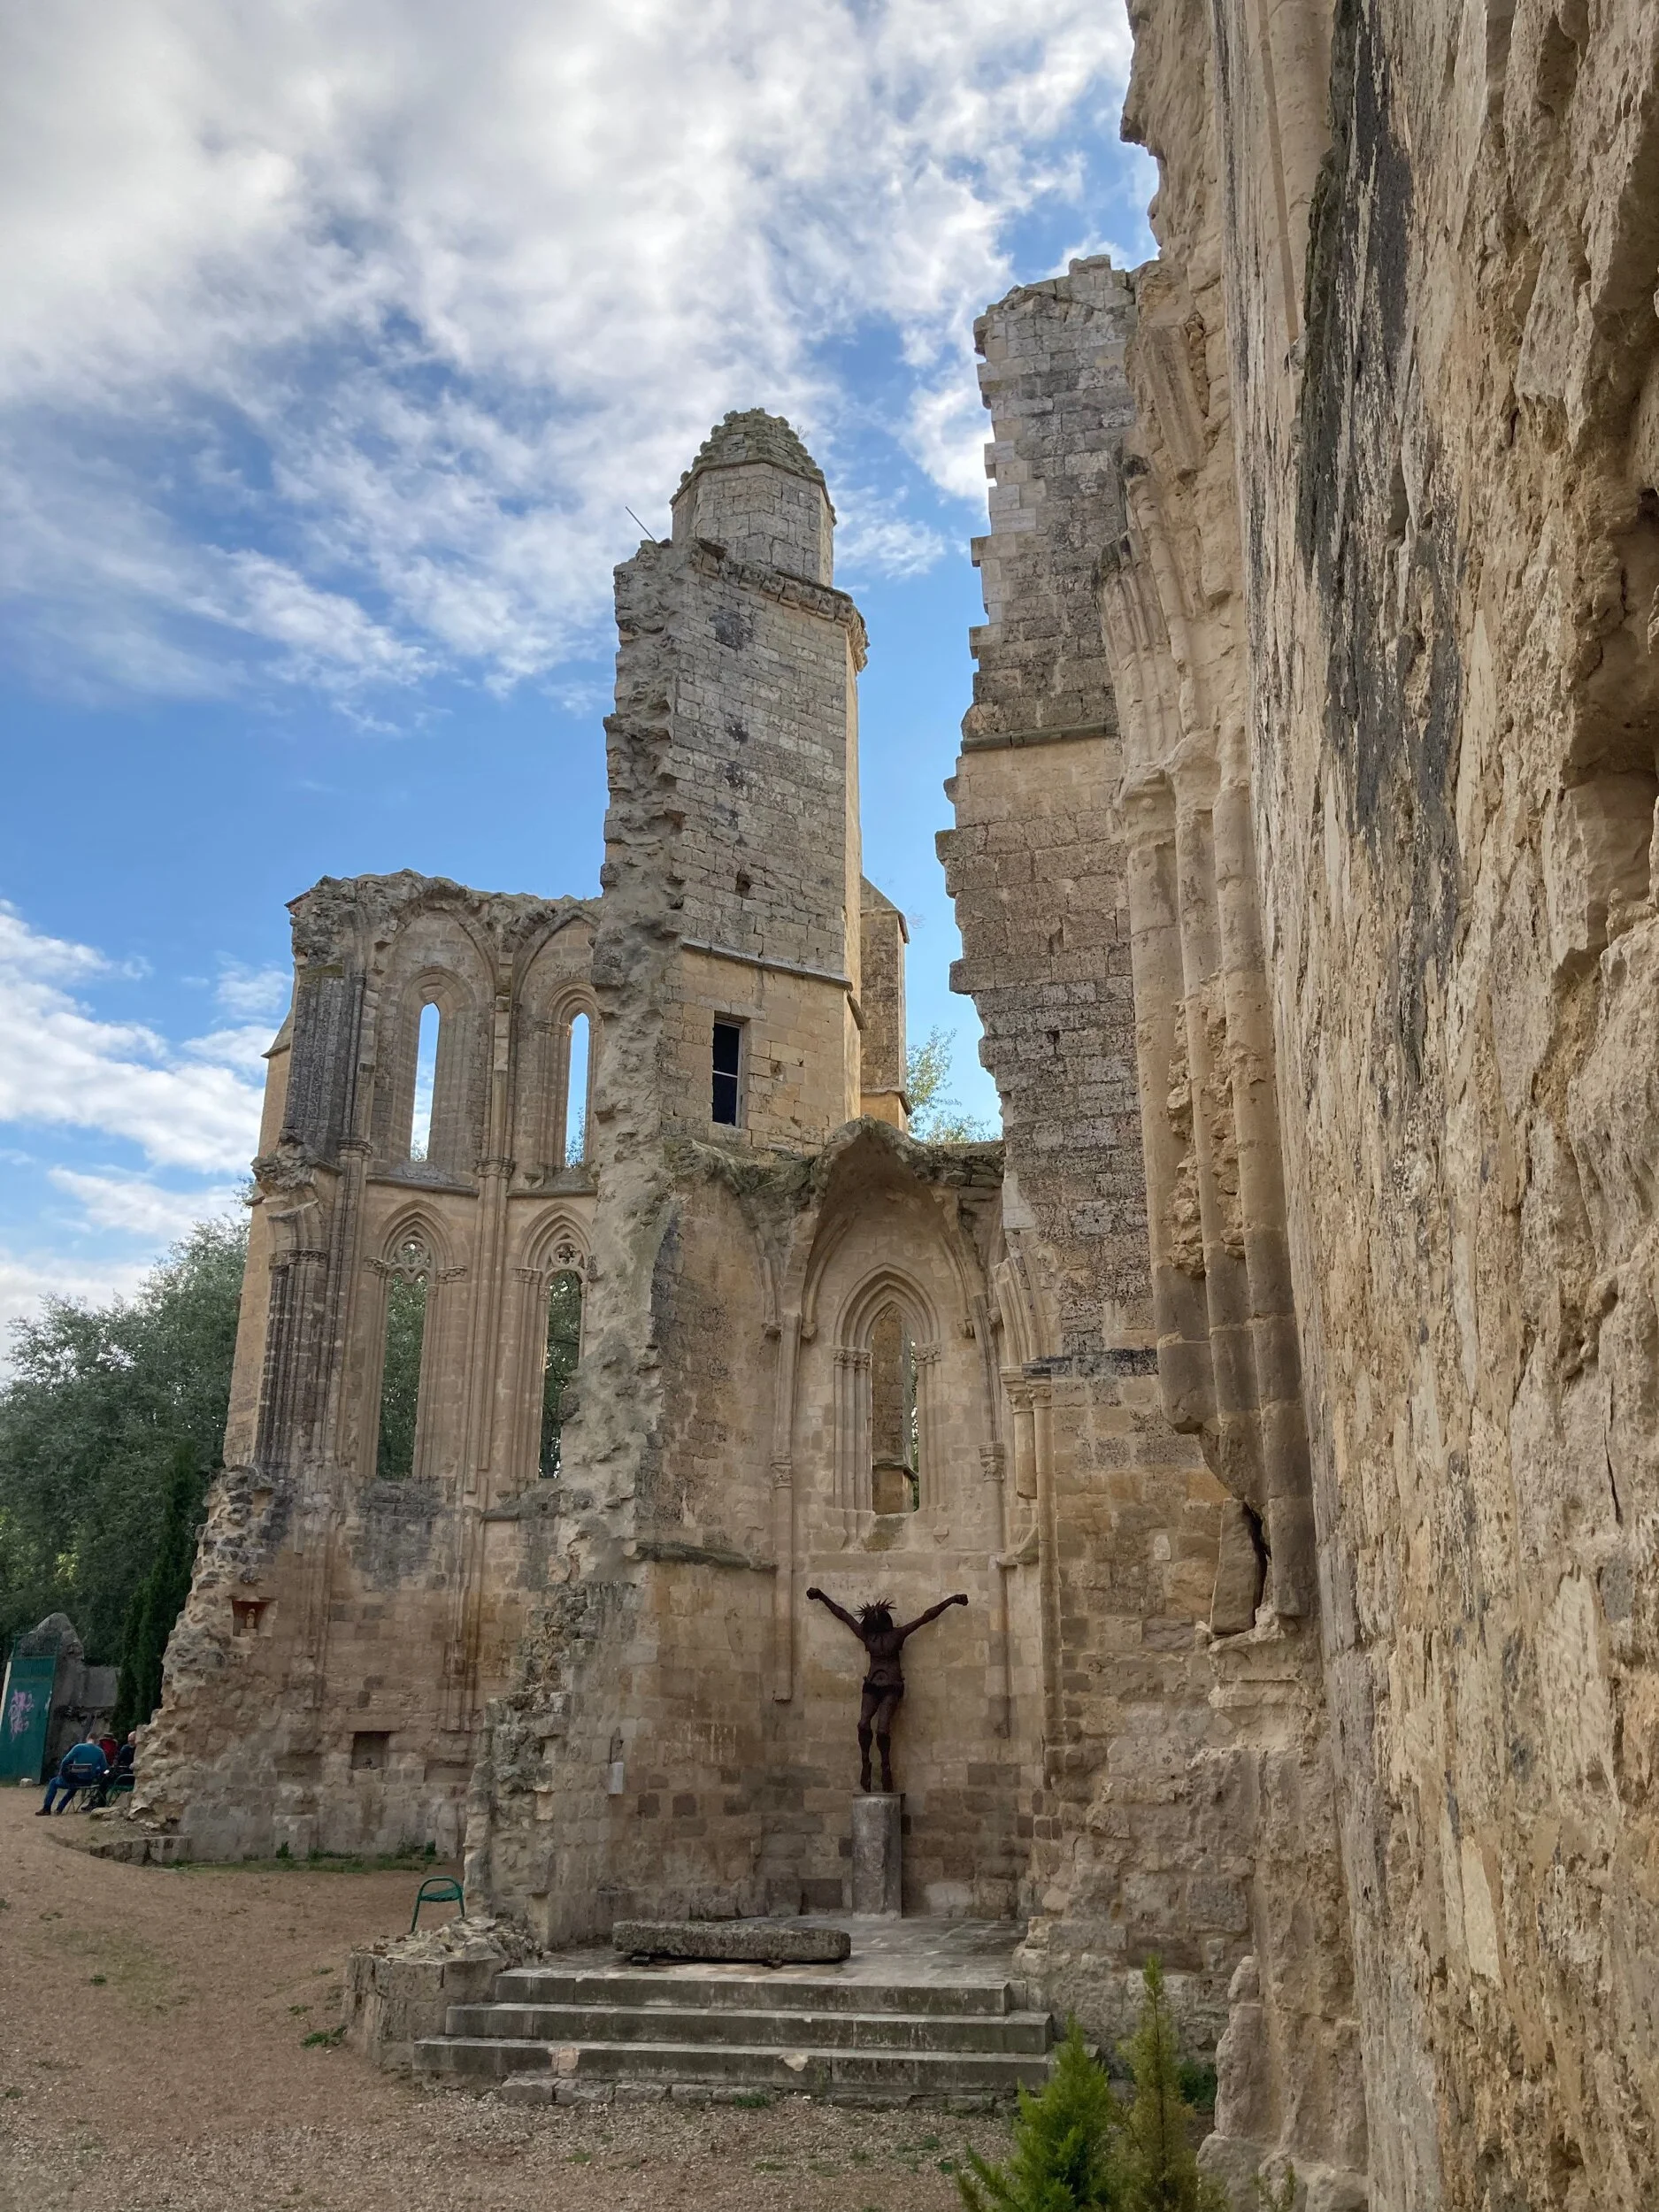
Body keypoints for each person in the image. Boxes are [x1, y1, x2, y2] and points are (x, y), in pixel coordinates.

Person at [805, 1586, 968, 1793]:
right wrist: (821, 1596)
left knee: (882, 1729)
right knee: (863, 1724)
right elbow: (843, 1615)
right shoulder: (868, 1636)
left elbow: (926, 1617)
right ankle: (866, 1762)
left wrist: (951, 1600)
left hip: (892, 1686)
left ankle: (885, 1766)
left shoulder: (896, 1636)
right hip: (872, 1685)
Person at [38, 1735, 109, 1815]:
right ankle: (59, 1808)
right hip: (87, 1782)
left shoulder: (79, 1747)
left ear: (88, 1739)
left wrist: (61, 1773)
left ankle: (47, 1808)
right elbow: (104, 1769)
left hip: (74, 1779)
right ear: (97, 1741)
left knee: (53, 1782)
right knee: (74, 1787)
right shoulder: (100, 1752)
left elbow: (65, 1761)